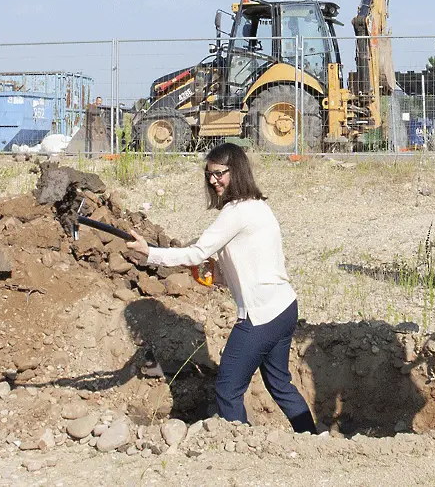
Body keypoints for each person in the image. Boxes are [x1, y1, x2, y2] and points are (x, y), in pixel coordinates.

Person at [126, 142, 319, 434]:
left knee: (228, 389)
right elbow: (252, 259)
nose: (213, 180)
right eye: (209, 175)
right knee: (280, 383)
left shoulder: (236, 212)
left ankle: (239, 451)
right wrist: (219, 276)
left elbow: (196, 252)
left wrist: (150, 253)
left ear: (236, 171)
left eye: (219, 174)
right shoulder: (257, 207)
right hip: (284, 307)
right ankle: (312, 439)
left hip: (261, 314)